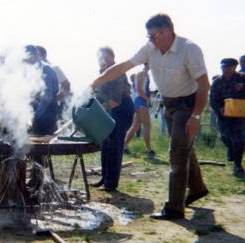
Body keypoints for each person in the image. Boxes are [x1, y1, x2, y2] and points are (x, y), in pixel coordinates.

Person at [92, 14, 210, 220]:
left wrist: (196, 116)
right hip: (169, 103)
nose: (150, 41)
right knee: (184, 148)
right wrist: (97, 81)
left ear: (167, 31)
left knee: (177, 153)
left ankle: (174, 208)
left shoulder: (189, 49)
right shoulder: (150, 49)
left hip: (187, 104)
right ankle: (198, 188)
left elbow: (203, 85)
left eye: (153, 36)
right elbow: (124, 66)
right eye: (148, 37)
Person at [90, 46, 134, 191]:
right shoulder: (101, 73)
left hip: (121, 109)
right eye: (100, 57)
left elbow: (115, 100)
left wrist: (96, 110)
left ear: (112, 57)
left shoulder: (117, 72)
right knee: (105, 143)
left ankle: (111, 183)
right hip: (108, 109)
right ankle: (104, 177)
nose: (102, 60)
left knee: (114, 145)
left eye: (105, 57)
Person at [209, 58, 245, 176]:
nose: (224, 69)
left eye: (227, 67)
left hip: (239, 114)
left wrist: (244, 86)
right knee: (225, 137)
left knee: (239, 140)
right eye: (223, 67)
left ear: (234, 68)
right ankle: (231, 149)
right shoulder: (217, 82)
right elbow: (212, 100)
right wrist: (219, 108)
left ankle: (238, 165)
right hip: (224, 115)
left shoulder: (243, 77)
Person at [25, 45, 59, 135]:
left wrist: (35, 117)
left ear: (36, 55)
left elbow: (46, 98)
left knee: (44, 145)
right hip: (38, 113)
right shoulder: (32, 70)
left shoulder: (46, 70)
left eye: (28, 59)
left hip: (47, 115)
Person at [123, 63, 156, 158]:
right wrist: (147, 99)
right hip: (141, 101)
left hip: (139, 101)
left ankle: (124, 147)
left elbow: (142, 89)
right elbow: (139, 89)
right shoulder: (142, 74)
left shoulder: (144, 74)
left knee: (135, 126)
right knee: (147, 125)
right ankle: (149, 150)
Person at [36, 45, 72, 119]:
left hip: (58, 109)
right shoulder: (35, 71)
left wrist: (56, 99)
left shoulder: (53, 68)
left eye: (38, 55)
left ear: (44, 55)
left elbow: (67, 86)